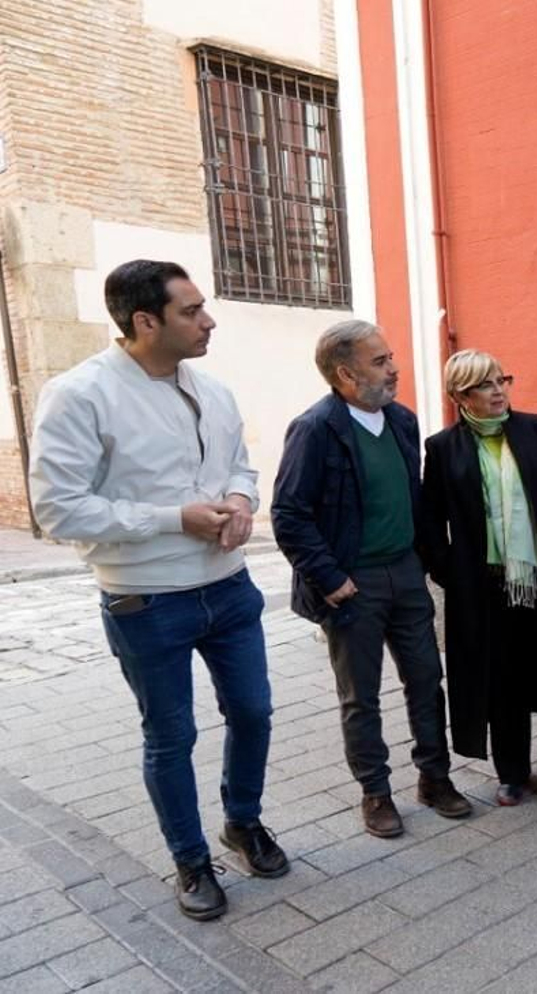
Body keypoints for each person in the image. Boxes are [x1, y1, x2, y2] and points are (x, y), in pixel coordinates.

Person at [29, 260, 285, 920]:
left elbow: (239, 465)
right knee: (171, 737)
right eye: (191, 310)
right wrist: (175, 519)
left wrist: (237, 498)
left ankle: (243, 821)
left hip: (229, 588)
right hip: (145, 598)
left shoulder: (213, 389)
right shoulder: (79, 394)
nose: (208, 320)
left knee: (254, 713)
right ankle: (190, 859)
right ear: (145, 322)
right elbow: (58, 509)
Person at [272, 320, 471, 839]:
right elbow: (289, 514)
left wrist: (437, 565)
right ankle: (376, 792)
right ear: (345, 373)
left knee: (427, 680)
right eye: (380, 361)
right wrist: (330, 578)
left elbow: (419, 501)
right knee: (361, 696)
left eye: (390, 357)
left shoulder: (402, 422)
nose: (394, 367)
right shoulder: (315, 429)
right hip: (351, 582)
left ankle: (435, 777)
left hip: (405, 572)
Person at [420, 350, 537, 810]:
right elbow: (430, 522)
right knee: (502, 678)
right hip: (485, 587)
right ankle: (512, 772)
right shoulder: (443, 448)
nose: (499, 390)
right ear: (461, 395)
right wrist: (453, 576)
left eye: (503, 379)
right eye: (486, 384)